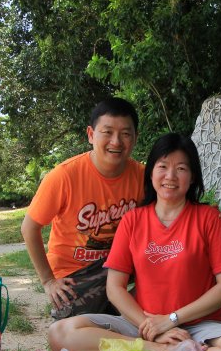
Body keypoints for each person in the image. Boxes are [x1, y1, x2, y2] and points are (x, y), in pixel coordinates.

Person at [48, 133, 221, 351]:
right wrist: (151, 328)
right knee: (60, 333)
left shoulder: (210, 219)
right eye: (162, 167)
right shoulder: (132, 220)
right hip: (141, 325)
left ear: (192, 176)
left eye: (181, 168)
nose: (170, 177)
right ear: (151, 172)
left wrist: (171, 320)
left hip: (200, 325)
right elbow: (115, 288)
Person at [21, 97, 144, 319]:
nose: (116, 141)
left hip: (121, 266)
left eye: (125, 134)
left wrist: (209, 217)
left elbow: (173, 212)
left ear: (135, 138)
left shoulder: (144, 177)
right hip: (74, 274)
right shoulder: (65, 175)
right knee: (80, 326)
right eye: (107, 132)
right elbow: (29, 228)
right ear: (90, 134)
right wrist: (49, 281)